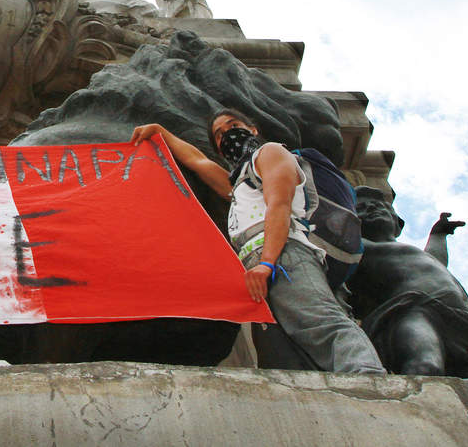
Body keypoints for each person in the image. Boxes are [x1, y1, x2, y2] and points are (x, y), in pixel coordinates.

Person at [131, 110, 385, 373]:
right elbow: (198, 161)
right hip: (255, 267)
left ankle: (368, 377)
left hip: (284, 254)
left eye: (233, 125)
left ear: (252, 129)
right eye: (219, 134)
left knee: (318, 321)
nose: (227, 134)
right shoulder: (240, 182)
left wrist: (268, 264)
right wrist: (161, 132)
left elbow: (280, 204)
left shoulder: (271, 153)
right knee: (282, 347)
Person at [347, 187, 468, 377]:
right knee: (425, 367)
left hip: (462, 322)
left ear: (397, 223)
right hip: (413, 313)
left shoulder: (410, 252)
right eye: (361, 208)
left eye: (378, 205)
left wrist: (438, 236)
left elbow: (436, 260)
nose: (371, 209)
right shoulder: (361, 248)